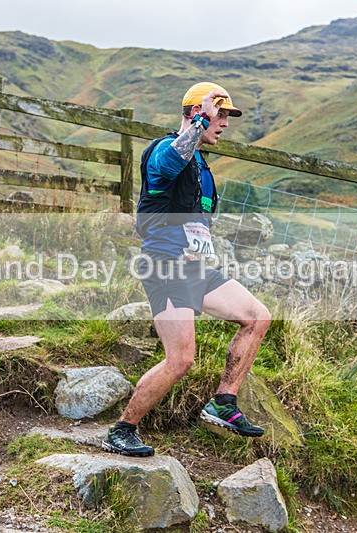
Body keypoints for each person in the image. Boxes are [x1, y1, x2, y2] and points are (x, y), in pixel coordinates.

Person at [102, 82, 272, 457]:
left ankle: (223, 403)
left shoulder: (202, 166)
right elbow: (173, 159)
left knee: (258, 317)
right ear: (197, 112)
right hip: (164, 267)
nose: (224, 123)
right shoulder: (165, 149)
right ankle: (122, 430)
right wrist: (199, 121)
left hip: (196, 269)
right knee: (180, 360)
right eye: (220, 114)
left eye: (225, 116)